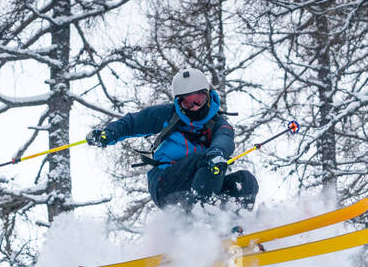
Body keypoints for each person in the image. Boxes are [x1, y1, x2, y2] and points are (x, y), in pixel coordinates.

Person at [87, 67, 258, 212]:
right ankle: (202, 219)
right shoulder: (169, 114)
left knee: (244, 180)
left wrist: (217, 153)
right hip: (166, 183)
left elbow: (224, 139)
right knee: (205, 160)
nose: (194, 107)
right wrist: (108, 134)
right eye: (187, 103)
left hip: (201, 185)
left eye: (198, 100)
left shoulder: (219, 124)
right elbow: (133, 122)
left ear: (207, 96)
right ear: (179, 103)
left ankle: (237, 224)